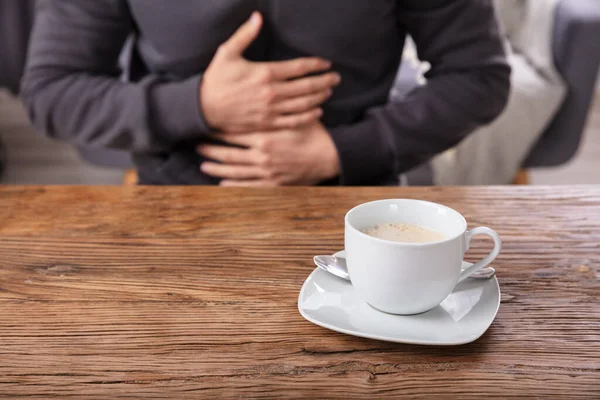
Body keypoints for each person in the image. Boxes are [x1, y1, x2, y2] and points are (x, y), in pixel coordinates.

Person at [21, 1, 510, 186]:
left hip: (355, 202)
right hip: (176, 204)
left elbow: (479, 75)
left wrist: (340, 152)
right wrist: (199, 104)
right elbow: (52, 92)